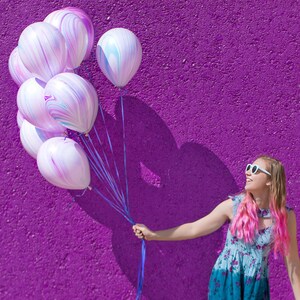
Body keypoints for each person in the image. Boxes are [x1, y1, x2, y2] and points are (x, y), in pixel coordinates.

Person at [132, 155, 300, 299]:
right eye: (249, 167)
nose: (248, 172)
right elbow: (194, 229)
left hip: (255, 287)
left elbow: (293, 265)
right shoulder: (233, 206)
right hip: (226, 280)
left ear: (271, 180)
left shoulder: (285, 216)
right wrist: (153, 234)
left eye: (255, 170)